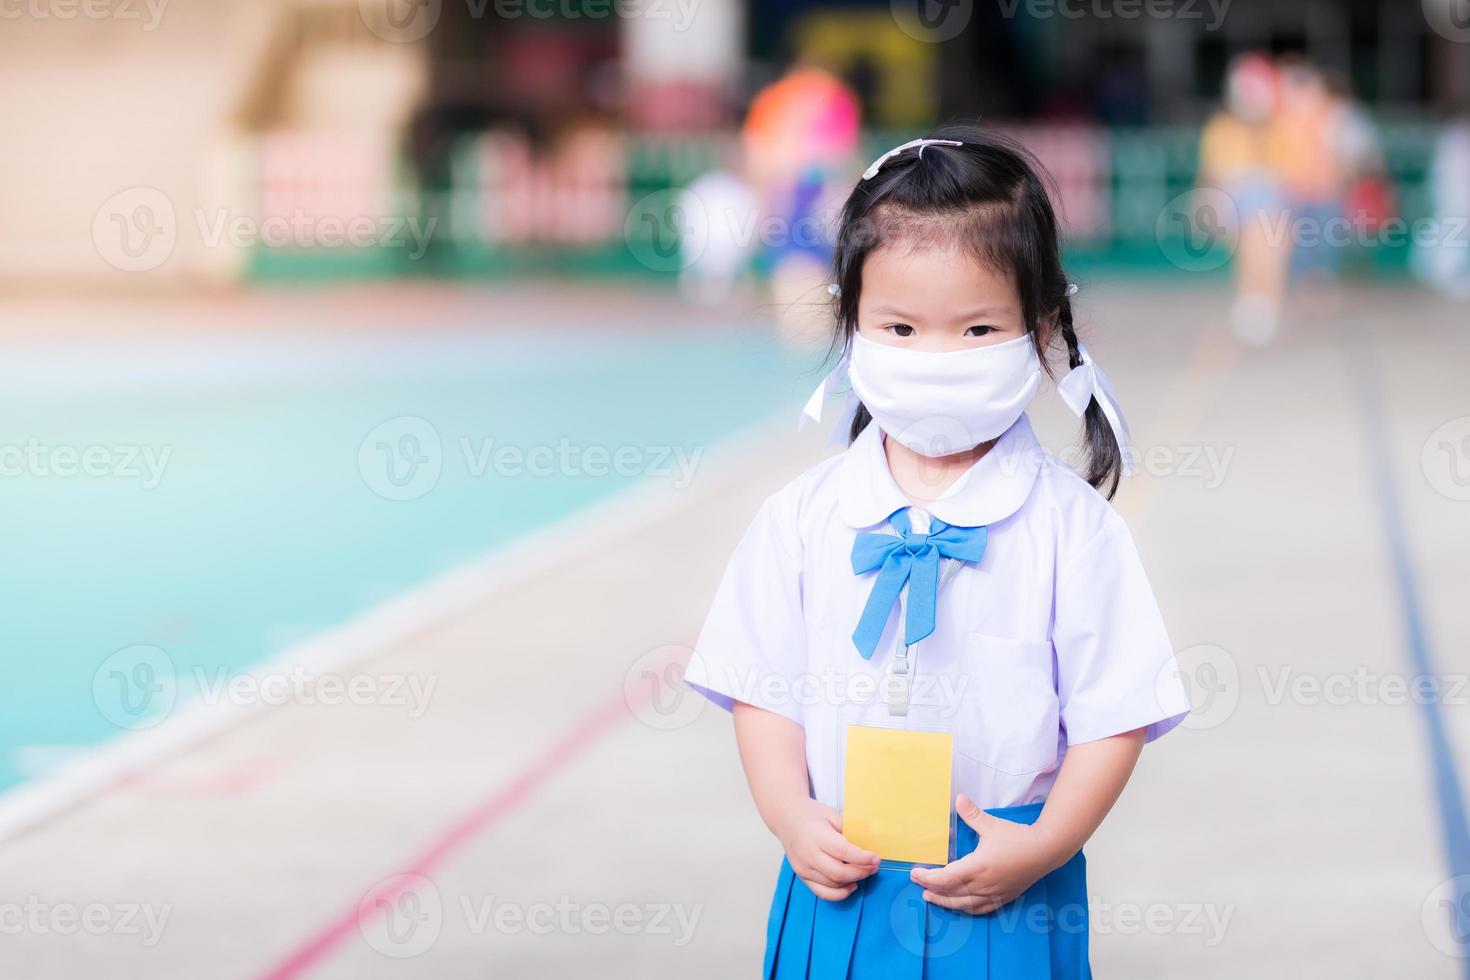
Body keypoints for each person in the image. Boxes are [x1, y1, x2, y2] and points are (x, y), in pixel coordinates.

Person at [684, 126, 1191, 979]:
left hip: (1006, 876)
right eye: (903, 328)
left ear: (1040, 327)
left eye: (978, 327)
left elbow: (1117, 711)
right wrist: (789, 815)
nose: (939, 357)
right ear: (852, 324)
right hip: (841, 872)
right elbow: (760, 687)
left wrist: (1046, 844)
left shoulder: (1072, 528)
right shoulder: (801, 519)